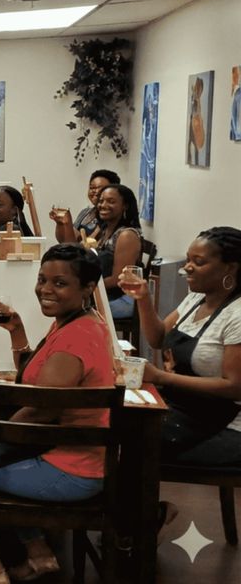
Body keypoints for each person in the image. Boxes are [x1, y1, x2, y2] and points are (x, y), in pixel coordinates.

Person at [0, 244, 114, 584]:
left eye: (59, 283)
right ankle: (38, 552)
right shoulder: (79, 322)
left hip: (72, 471)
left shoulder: (75, 338)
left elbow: (40, 408)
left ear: (87, 288)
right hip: (69, 455)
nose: (45, 289)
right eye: (42, 279)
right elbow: (36, 376)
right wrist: (16, 330)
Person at [123, 227, 241, 467]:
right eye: (188, 260)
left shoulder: (237, 315)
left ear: (230, 268)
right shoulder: (196, 298)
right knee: (120, 421)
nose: (187, 267)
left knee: (133, 441)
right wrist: (143, 298)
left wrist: (161, 377)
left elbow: (234, 387)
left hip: (225, 423)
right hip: (184, 407)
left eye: (199, 262)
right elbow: (158, 339)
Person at [88, 183, 143, 319]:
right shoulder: (104, 229)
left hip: (121, 298)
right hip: (104, 293)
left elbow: (118, 279)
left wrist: (86, 288)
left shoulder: (126, 235)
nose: (103, 205)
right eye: (101, 201)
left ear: (125, 206)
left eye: (111, 201)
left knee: (70, 310)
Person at [50, 169, 119, 244]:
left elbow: (89, 245)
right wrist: (62, 223)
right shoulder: (85, 212)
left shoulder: (112, 216)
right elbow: (69, 242)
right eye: (92, 188)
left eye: (101, 188)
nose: (95, 191)